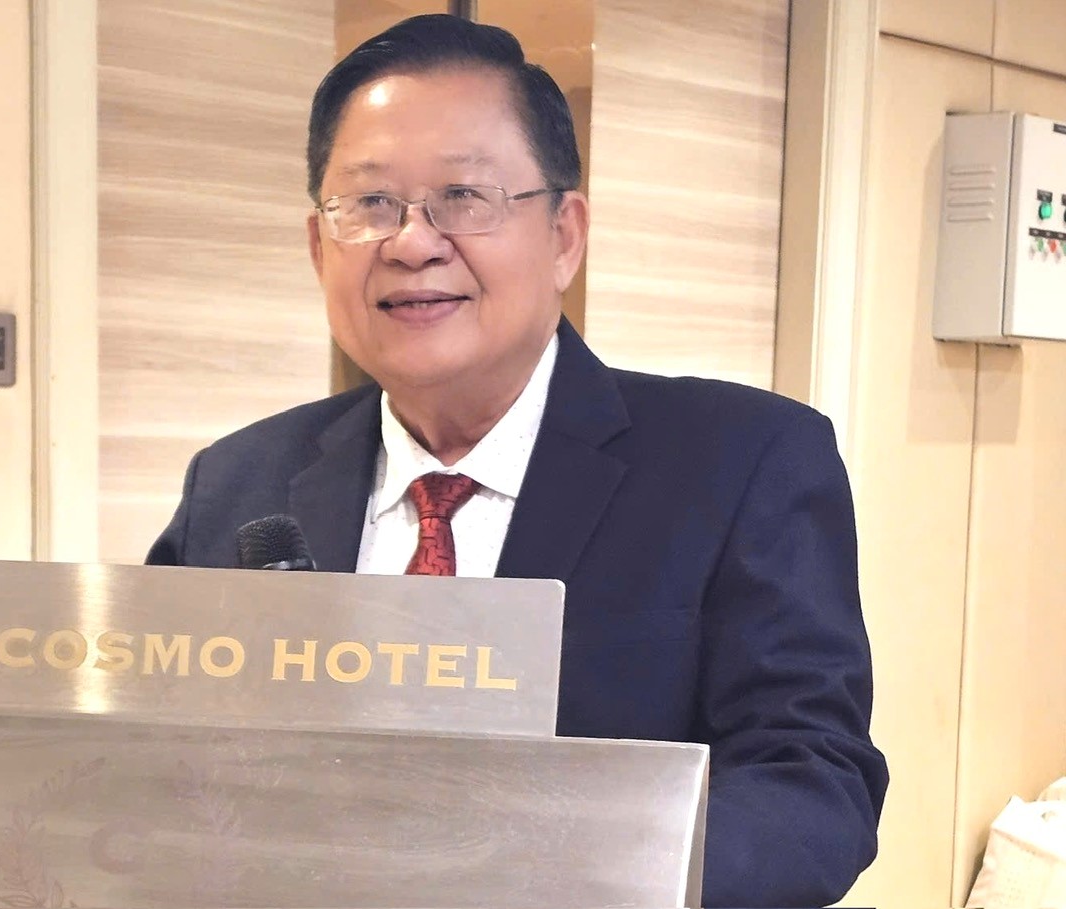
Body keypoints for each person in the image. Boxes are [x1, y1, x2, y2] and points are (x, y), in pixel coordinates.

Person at [147, 13, 888, 906]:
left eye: (465, 196)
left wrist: (583, 878)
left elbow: (811, 780)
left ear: (565, 235)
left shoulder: (744, 461)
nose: (412, 242)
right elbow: (150, 761)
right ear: (318, 246)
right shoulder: (238, 482)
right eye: (370, 204)